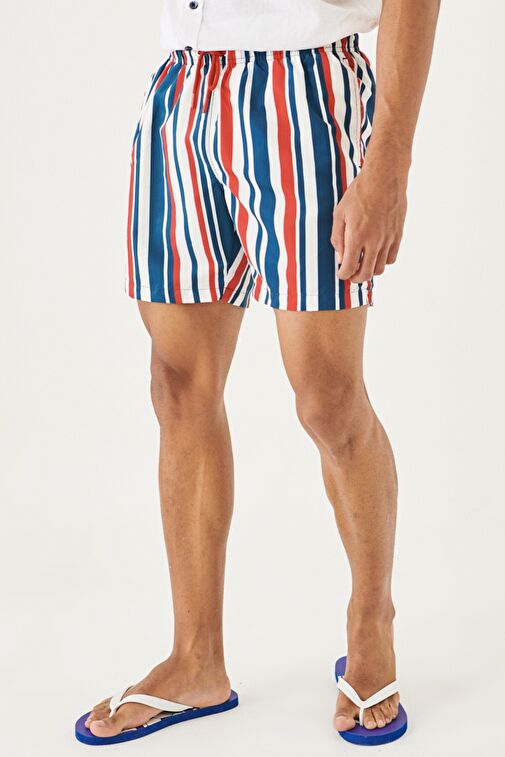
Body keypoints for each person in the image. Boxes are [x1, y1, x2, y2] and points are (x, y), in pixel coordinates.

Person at [75, 0, 440, 747]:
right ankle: (196, 658)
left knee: (326, 398)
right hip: (184, 85)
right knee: (178, 384)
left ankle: (371, 621)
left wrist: (389, 161)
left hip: (304, 90)